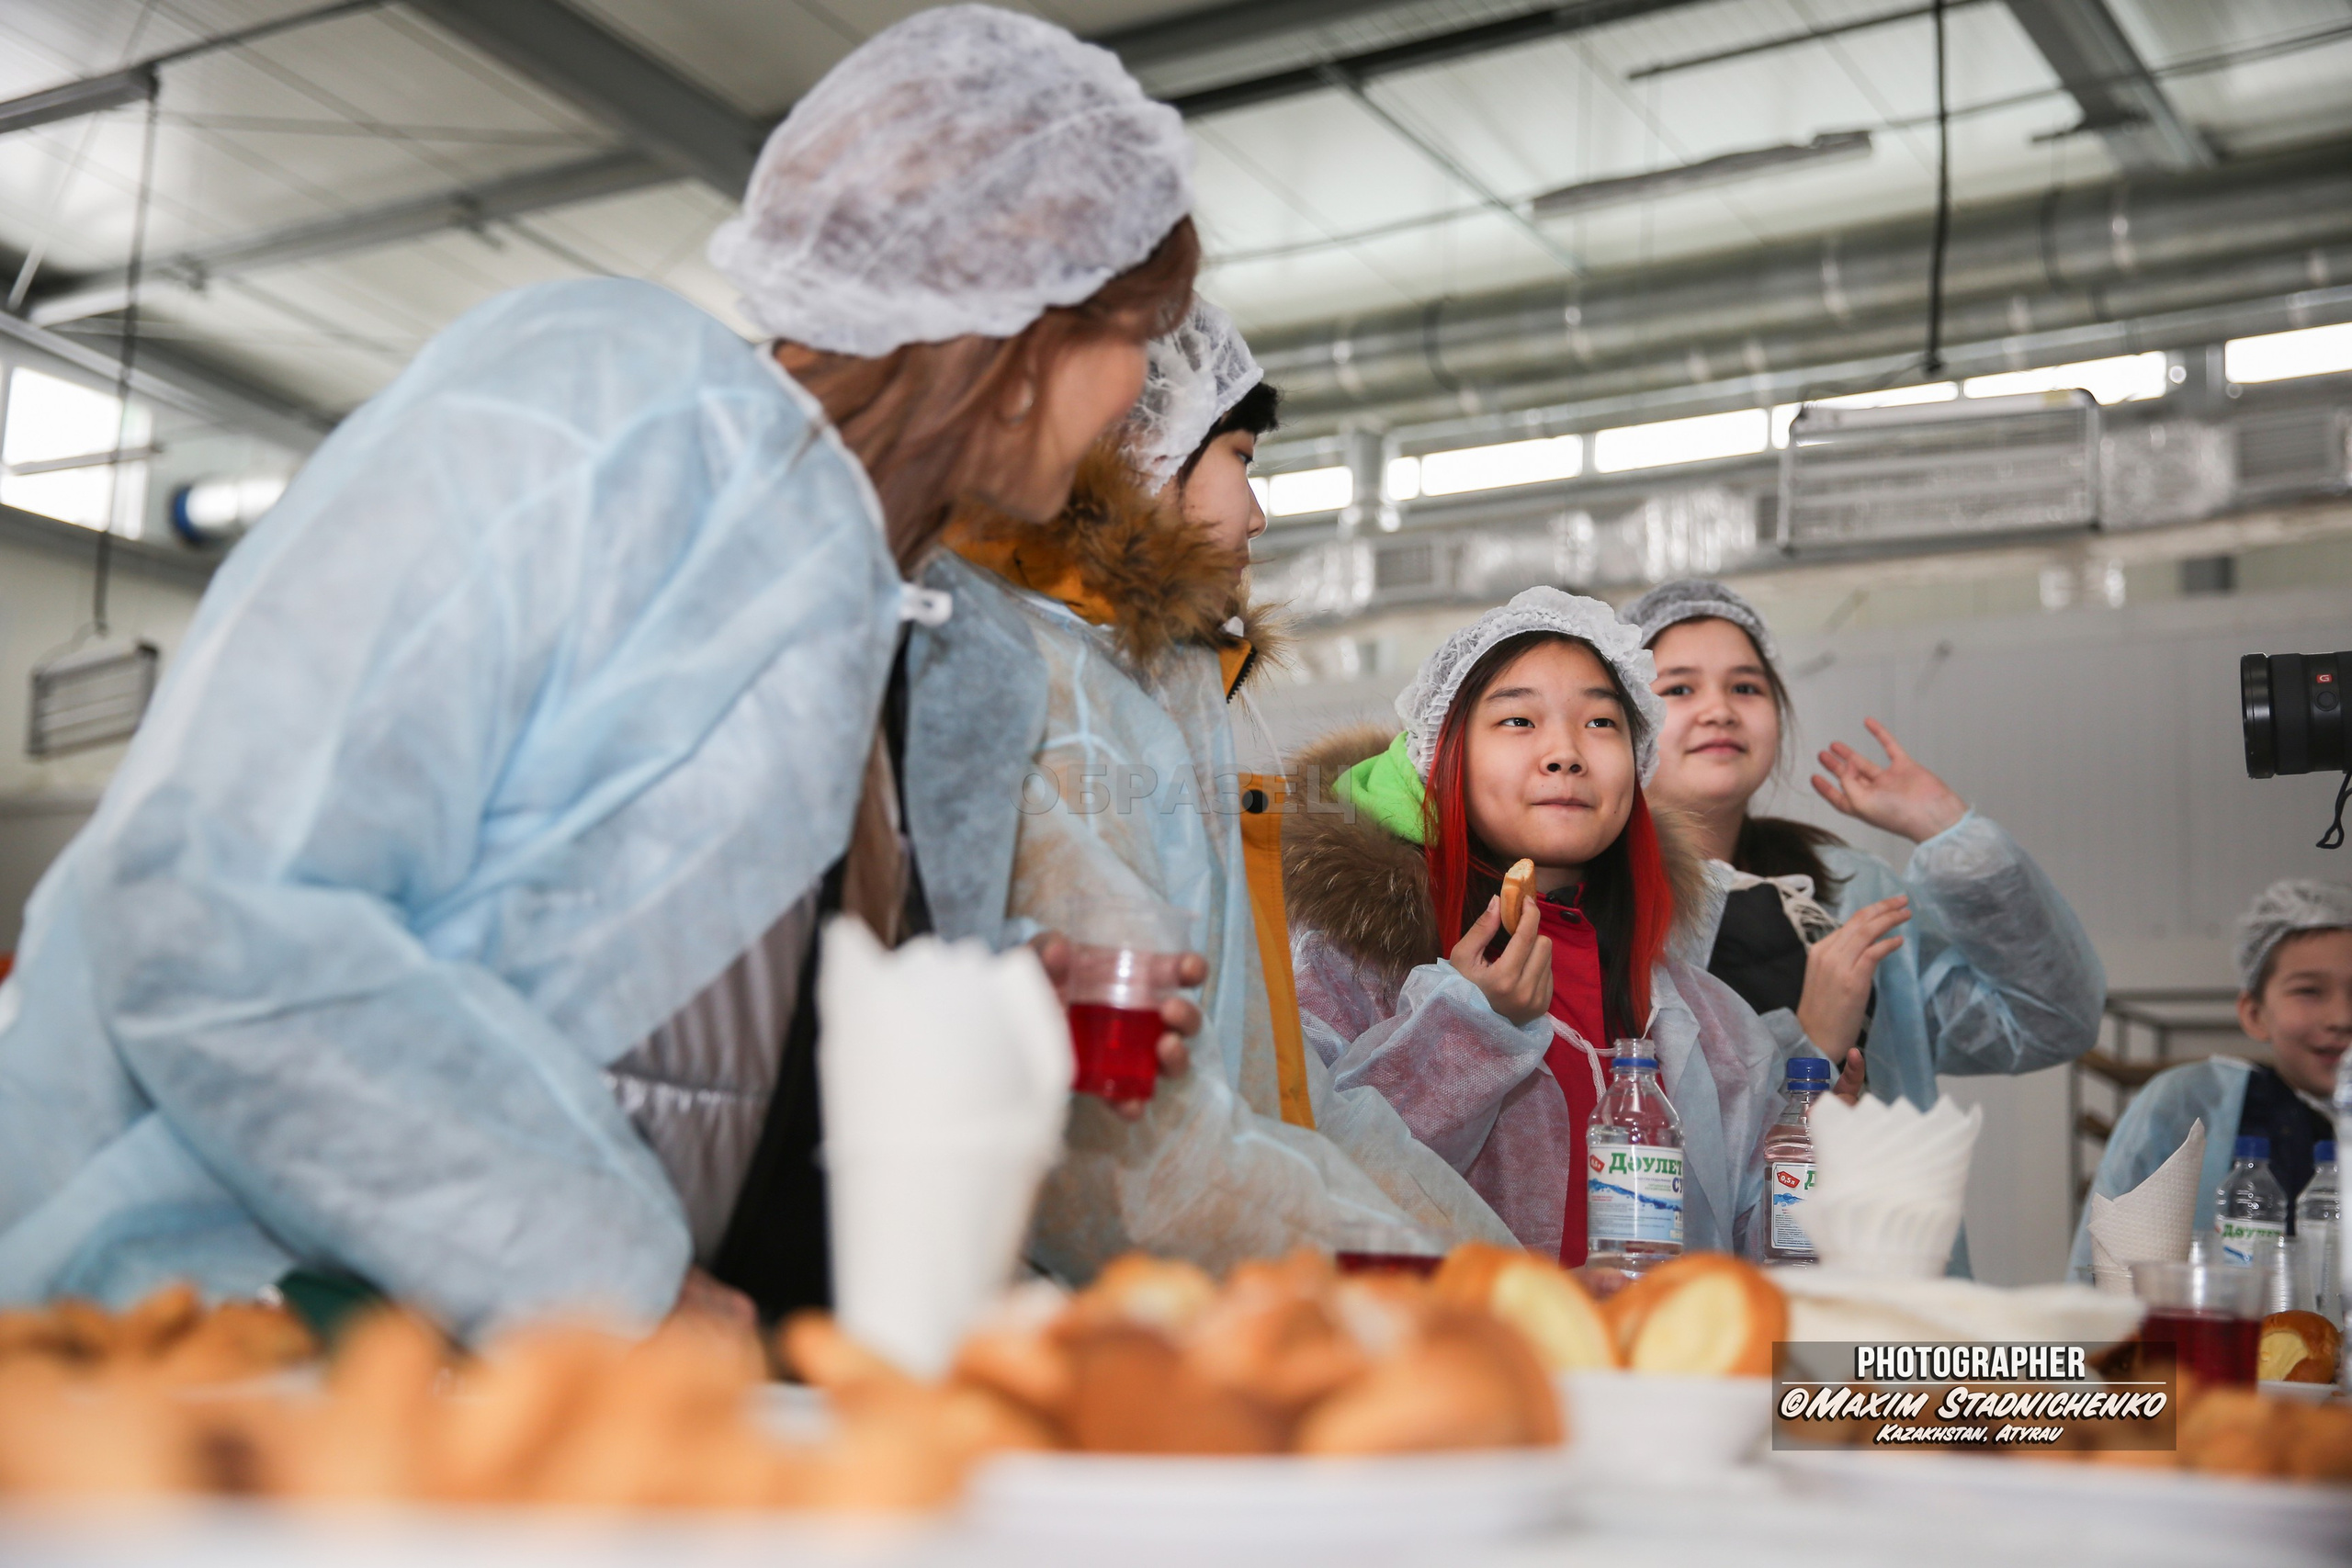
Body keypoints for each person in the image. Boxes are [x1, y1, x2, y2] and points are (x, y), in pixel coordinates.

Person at [0, 6, 1198, 1339]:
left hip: (534, 1389)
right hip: (216, 1338)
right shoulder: (601, 427)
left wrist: (973, 1004)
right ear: (1018, 323)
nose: (1139, 393)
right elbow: (211, 905)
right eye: (1139, 332)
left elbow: (655, 979)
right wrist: (610, 1279)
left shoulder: (902, 618)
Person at [906, 299, 1512, 1280]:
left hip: (1222, 1278)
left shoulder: (1153, 699)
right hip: (1112, 1326)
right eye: (1241, 458)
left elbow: (1282, 1092)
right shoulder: (1059, 707)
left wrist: (1499, 1271)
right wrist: (1444, 1290)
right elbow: (1133, 1167)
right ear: (1137, 449)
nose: (1259, 514)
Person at [1284, 588, 1814, 1262]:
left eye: (1601, 722)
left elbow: (1769, 1259)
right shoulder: (1343, 969)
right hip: (1444, 1363)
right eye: (1518, 721)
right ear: (1445, 757)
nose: (1566, 752)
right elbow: (1304, 1178)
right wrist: (1467, 1029)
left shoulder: (1707, 1020)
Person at [1622, 581, 2105, 1266]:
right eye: (1678, 689)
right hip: (1708, 1312)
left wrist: (1949, 830)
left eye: (1747, 687)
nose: (1719, 710)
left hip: (1885, 1294)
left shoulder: (1847, 892)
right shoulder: (1604, 907)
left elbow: (2050, 1017)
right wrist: (1812, 1042)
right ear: (1624, 719)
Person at [2069, 880, 2352, 1279]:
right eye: (2308, 991)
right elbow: (2104, 1278)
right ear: (2254, 1012)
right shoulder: (2189, 1105)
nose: (2340, 1018)